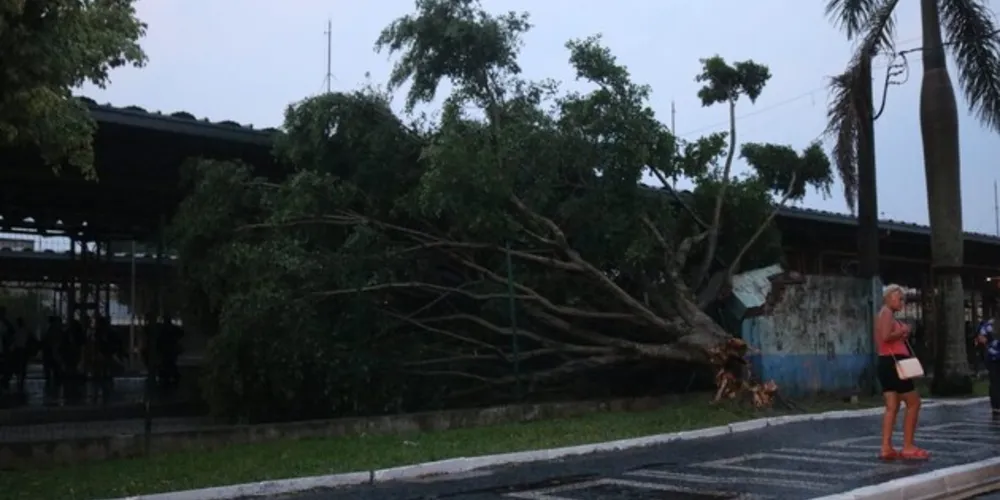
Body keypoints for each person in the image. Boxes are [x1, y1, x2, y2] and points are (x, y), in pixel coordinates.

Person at [876, 284, 928, 461]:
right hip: (894, 362)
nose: (902, 302)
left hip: (887, 362)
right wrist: (903, 330)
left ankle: (886, 447)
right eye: (899, 298)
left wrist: (900, 332)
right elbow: (885, 336)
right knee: (914, 402)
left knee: (892, 405)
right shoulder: (887, 313)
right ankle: (908, 445)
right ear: (889, 297)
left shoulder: (887, 314)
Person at [976, 318, 1000, 414]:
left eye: (981, 336)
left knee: (995, 385)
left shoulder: (993, 345)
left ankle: (996, 405)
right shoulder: (986, 346)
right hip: (993, 368)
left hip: (996, 366)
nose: (979, 338)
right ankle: (996, 405)